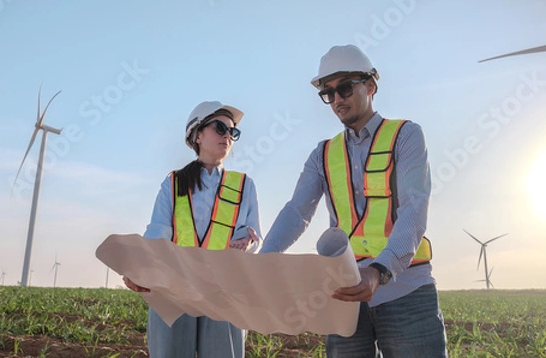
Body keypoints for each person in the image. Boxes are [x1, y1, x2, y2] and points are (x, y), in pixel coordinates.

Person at [259, 45, 448, 357]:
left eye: (344, 88)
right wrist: (264, 260)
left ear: (370, 86)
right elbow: (296, 212)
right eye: (328, 93)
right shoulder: (322, 154)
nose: (336, 100)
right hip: (343, 294)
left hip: (406, 290)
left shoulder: (405, 135)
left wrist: (380, 270)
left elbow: (415, 207)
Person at [124, 101, 262, 358]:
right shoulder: (174, 183)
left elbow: (254, 236)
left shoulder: (245, 185)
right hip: (175, 287)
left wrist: (248, 242)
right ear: (197, 134)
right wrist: (139, 266)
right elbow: (158, 232)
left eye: (233, 132)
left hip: (225, 290)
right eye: (220, 128)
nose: (227, 136)